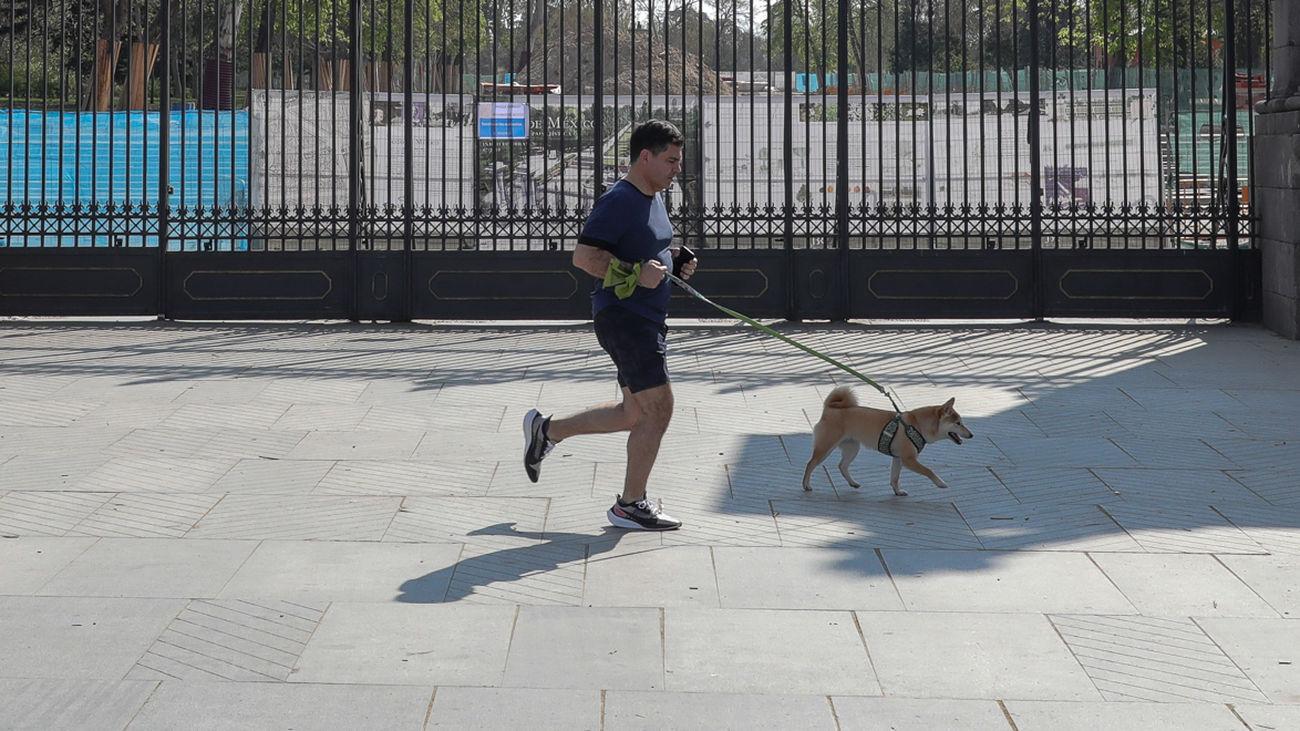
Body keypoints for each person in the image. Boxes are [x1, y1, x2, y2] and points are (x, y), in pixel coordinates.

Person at [522, 119, 698, 531]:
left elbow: (644, 247)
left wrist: (676, 258)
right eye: (670, 160)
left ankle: (546, 430)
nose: (677, 169)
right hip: (627, 319)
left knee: (631, 412)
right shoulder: (620, 198)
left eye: (678, 161)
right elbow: (584, 257)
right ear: (645, 157)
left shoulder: (653, 196)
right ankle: (630, 505)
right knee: (659, 409)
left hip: (644, 318)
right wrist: (638, 274)